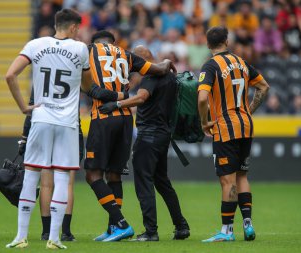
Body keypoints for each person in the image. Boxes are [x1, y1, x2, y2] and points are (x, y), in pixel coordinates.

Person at [5, 9, 93, 249]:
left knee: (32, 175)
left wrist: (24, 107)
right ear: (74, 27)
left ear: (56, 24)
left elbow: (10, 75)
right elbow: (87, 85)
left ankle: (20, 236)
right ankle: (54, 239)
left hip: (40, 118)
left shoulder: (35, 44)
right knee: (63, 177)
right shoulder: (80, 49)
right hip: (67, 123)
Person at [84, 30, 177, 242]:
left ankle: (121, 223)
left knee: (92, 174)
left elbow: (88, 87)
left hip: (103, 115)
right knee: (114, 175)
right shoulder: (126, 54)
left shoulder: (88, 51)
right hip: (126, 119)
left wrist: (108, 95)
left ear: (95, 42)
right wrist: (167, 61)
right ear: (112, 42)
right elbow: (159, 69)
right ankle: (113, 228)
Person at [99, 45, 190, 242]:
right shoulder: (170, 77)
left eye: (135, 62)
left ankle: (151, 231)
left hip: (148, 135)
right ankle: (181, 226)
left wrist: (116, 104)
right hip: (163, 134)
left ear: (144, 58)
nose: (134, 67)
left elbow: (142, 98)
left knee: (144, 184)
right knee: (162, 182)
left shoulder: (150, 77)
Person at [197, 26, 269, 242]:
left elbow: (202, 98)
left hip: (225, 129)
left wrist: (203, 123)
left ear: (208, 44)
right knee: (242, 175)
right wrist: (248, 110)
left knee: (227, 181)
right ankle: (247, 224)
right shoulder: (241, 62)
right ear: (227, 42)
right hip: (246, 125)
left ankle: (227, 231)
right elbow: (263, 87)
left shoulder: (210, 66)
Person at [18, 89, 84, 242]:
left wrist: (24, 136)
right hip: (70, 126)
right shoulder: (73, 69)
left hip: (44, 125)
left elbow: (32, 108)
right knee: (67, 183)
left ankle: (46, 232)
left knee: (46, 185)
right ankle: (66, 232)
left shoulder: (42, 72)